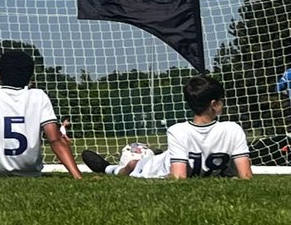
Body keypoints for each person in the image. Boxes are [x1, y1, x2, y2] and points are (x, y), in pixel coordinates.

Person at [82, 74, 251, 179]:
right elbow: (178, 177)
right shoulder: (233, 128)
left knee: (151, 159)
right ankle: (107, 168)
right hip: (159, 167)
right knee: (133, 166)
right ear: (214, 104)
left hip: (179, 158)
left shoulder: (179, 130)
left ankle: (152, 153)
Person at [0, 49, 81, 178]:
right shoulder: (39, 96)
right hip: (30, 172)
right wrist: (78, 176)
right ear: (29, 75)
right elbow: (55, 139)